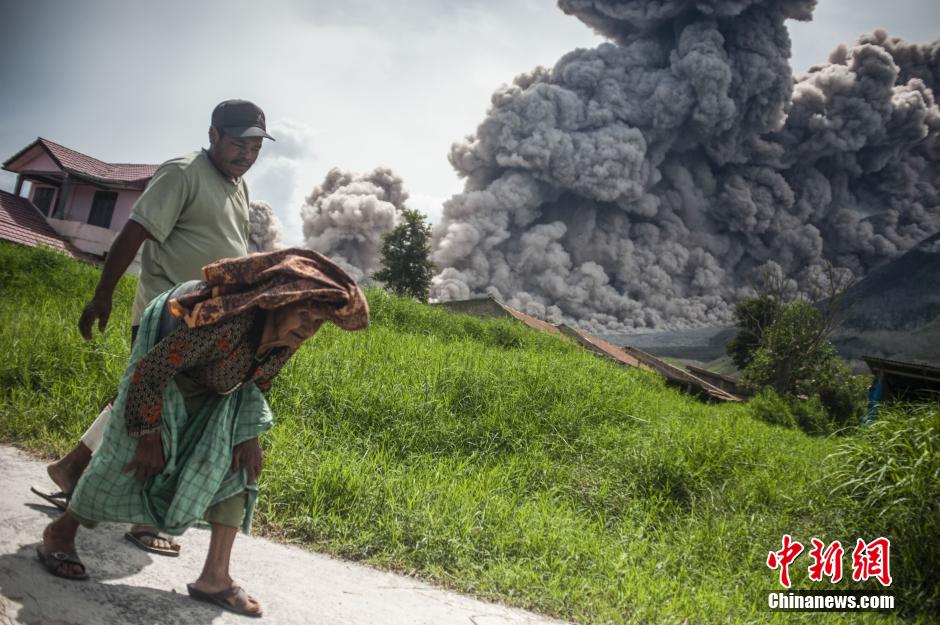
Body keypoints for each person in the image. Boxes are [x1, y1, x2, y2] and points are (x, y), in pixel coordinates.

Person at [36, 248, 370, 617]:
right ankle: (61, 533)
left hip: (219, 384)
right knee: (126, 455)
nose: (308, 328)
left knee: (239, 465)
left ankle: (215, 576)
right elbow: (153, 371)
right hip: (167, 368)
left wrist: (249, 437)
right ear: (277, 305)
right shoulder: (226, 326)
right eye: (304, 315)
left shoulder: (284, 342)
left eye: (317, 323)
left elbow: (255, 385)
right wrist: (149, 433)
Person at [34, 99, 275, 556]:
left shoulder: (238, 186)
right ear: (213, 136)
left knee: (140, 396)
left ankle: (72, 469)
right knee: (161, 411)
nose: (247, 152)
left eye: (255, 145)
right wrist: (102, 294)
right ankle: (145, 519)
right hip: (167, 316)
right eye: (239, 142)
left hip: (207, 322)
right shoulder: (182, 172)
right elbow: (134, 231)